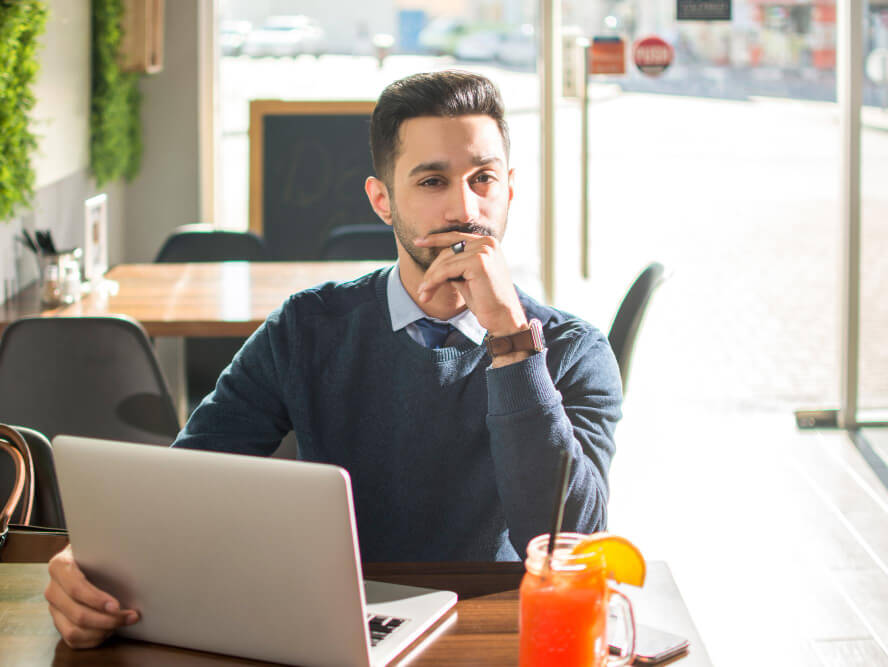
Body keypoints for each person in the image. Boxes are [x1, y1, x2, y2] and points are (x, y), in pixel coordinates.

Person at [45, 70, 623, 648]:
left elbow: (571, 541)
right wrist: (92, 565)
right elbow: (183, 483)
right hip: (337, 632)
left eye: (483, 179)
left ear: (509, 190)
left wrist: (509, 339)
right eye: (431, 181)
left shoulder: (574, 350)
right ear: (382, 200)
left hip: (500, 634)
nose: (464, 207)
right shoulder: (307, 329)